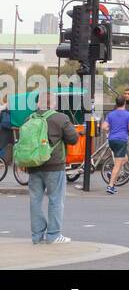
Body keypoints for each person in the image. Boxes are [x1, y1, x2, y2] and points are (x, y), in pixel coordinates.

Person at [23, 91, 80, 244]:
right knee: (55, 199)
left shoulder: (30, 118)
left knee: (35, 200)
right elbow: (74, 139)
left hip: (34, 165)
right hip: (54, 165)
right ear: (53, 103)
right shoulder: (60, 118)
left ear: (38, 104)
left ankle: (37, 236)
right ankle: (54, 235)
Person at [103, 94, 129, 194]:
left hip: (112, 140)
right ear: (124, 103)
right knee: (118, 164)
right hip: (121, 140)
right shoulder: (128, 114)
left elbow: (104, 127)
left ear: (116, 103)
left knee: (124, 159)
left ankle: (112, 174)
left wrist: (110, 128)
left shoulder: (111, 114)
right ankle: (110, 186)